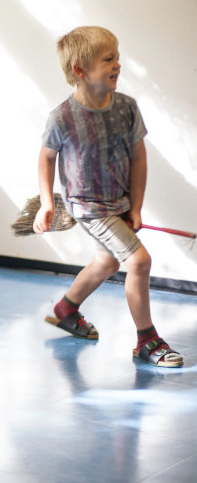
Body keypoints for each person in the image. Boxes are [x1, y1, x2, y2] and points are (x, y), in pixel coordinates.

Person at [33, 26, 182, 368]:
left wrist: (137, 205)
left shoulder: (127, 108)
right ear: (80, 71)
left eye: (118, 57)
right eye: (108, 59)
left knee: (107, 262)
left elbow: (139, 157)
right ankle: (147, 340)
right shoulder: (62, 117)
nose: (118, 64)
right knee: (139, 262)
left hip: (119, 202)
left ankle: (66, 310)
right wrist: (46, 203)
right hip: (87, 206)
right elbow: (46, 157)